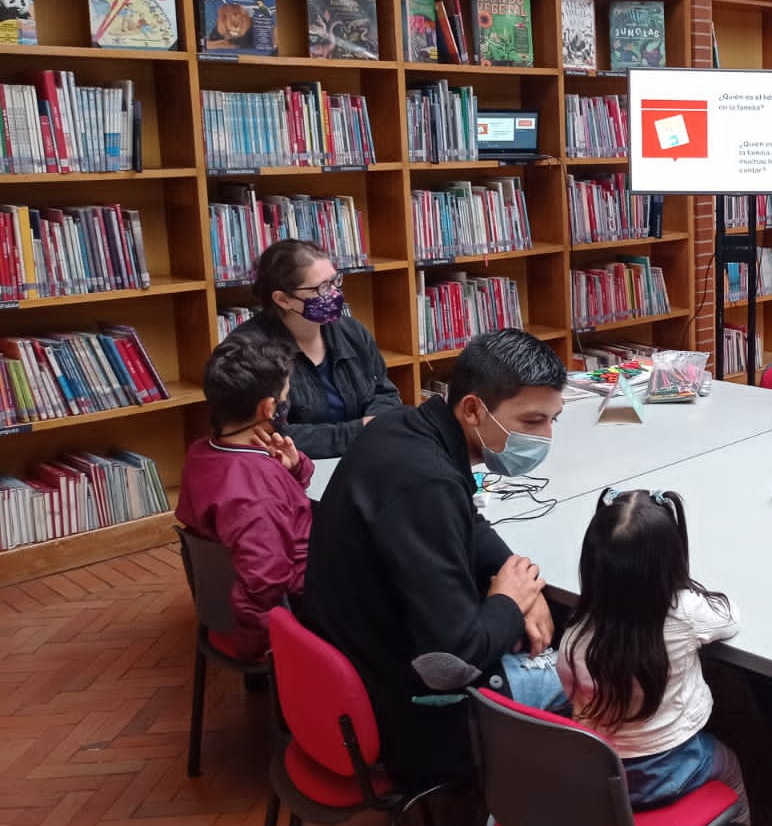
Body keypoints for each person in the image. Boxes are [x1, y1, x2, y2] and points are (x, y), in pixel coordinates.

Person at [299, 328, 567, 788]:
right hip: (411, 714)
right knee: (593, 670)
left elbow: (468, 521)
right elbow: (454, 661)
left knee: (545, 617)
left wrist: (520, 578)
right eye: (531, 422)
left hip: (358, 664)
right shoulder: (427, 485)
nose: (545, 437)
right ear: (472, 409)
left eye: (552, 420)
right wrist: (508, 600)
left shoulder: (403, 428)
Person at [557, 489, 756, 826]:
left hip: (600, 775)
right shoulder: (684, 615)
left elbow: (571, 697)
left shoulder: (574, 638)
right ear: (669, 564)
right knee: (732, 767)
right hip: (674, 767)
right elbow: (730, 617)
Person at [176, 337, 312, 661]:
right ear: (267, 408)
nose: (285, 401)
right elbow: (264, 584)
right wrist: (265, 647)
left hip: (235, 593)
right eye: (284, 396)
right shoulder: (256, 497)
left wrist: (293, 470)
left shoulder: (201, 452)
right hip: (301, 602)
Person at [230, 239, 402, 458]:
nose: (334, 293)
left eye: (334, 281)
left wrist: (377, 426)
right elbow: (269, 434)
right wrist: (359, 432)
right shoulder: (250, 351)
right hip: (292, 470)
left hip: (366, 457)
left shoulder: (351, 331)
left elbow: (384, 391)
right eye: (322, 287)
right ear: (283, 299)